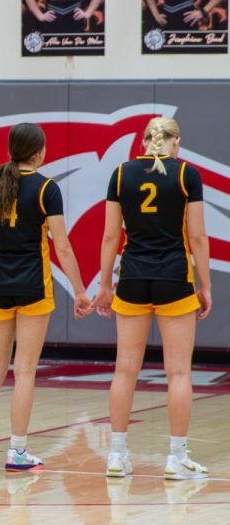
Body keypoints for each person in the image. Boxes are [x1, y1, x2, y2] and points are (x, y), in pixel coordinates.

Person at [0, 123, 92, 472]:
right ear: (40, 151)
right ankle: (18, 451)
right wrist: (81, 290)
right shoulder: (46, 189)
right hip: (33, 288)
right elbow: (64, 246)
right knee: (24, 371)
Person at [94, 117, 212, 480]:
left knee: (124, 370)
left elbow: (111, 237)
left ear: (143, 142)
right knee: (178, 372)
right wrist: (204, 286)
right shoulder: (186, 175)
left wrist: (103, 286)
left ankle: (116, 455)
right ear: (175, 142)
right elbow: (198, 237)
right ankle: (176, 459)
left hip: (131, 278)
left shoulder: (120, 174)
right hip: (174, 277)